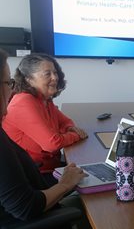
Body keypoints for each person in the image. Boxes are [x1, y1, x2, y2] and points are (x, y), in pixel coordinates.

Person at [0, 48, 90, 227]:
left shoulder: (44, 100)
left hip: (39, 182)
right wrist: (65, 184)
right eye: (8, 83)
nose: (11, 91)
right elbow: (25, 207)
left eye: (55, 72)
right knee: (101, 204)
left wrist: (68, 130)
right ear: (28, 79)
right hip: (39, 204)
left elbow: (66, 122)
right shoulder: (24, 102)